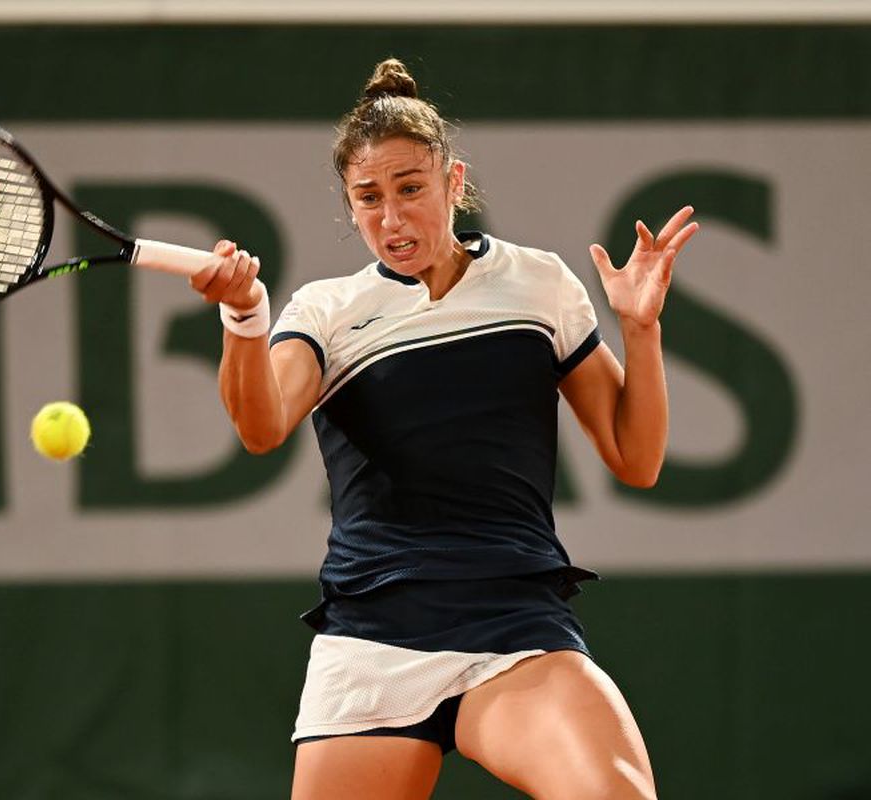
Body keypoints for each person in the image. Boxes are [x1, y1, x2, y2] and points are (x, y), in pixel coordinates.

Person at [189, 58, 697, 800]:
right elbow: (262, 426)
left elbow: (636, 457)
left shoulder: (540, 285)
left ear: (454, 183)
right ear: (349, 206)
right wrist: (243, 319)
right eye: (368, 199)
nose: (391, 219)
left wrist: (640, 330)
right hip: (374, 636)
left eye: (410, 190)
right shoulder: (327, 311)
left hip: (515, 626)